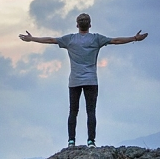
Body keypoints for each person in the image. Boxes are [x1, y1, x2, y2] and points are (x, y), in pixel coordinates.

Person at [19, 13, 149, 148]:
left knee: (73, 111)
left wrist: (32, 38)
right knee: (91, 111)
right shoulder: (96, 39)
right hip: (91, 80)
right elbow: (116, 41)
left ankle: (71, 141)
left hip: (74, 81)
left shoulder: (70, 39)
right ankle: (91, 141)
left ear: (77, 25)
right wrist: (134, 38)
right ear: (90, 25)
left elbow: (51, 40)